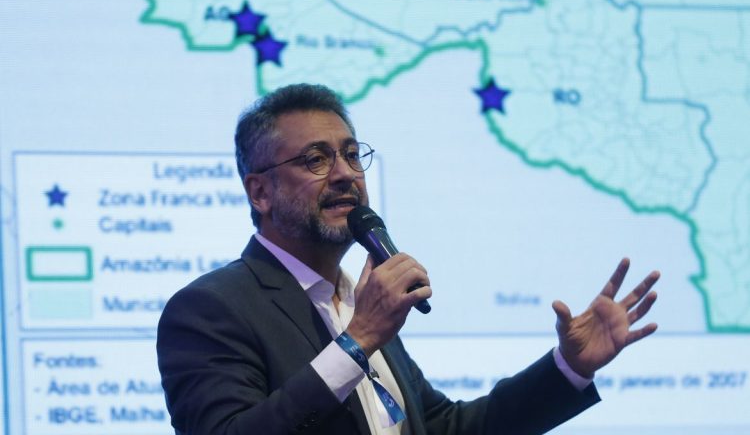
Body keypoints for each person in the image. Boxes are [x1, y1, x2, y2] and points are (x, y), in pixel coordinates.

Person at [157, 84, 660, 434]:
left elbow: (442, 429)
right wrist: (357, 343)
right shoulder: (209, 309)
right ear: (260, 192)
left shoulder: (356, 301)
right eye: (316, 159)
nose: (346, 175)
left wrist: (566, 368)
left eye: (353, 155)